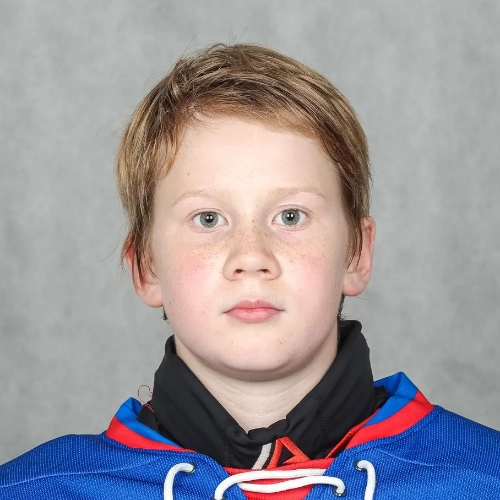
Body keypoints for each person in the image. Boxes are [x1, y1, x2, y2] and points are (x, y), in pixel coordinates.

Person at [1, 43, 499, 500]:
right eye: (208, 219)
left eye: (291, 216)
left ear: (356, 254)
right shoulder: (32, 490)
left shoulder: (484, 478)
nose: (252, 255)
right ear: (145, 267)